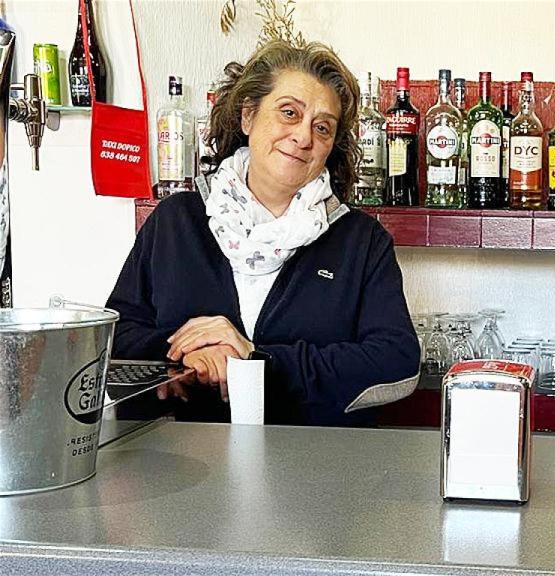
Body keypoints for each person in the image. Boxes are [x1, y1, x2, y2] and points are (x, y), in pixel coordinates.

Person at [106, 40, 420, 426]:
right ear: (248, 116)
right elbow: (115, 336)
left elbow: (395, 360)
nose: (303, 137)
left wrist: (255, 359)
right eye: (289, 113)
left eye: (322, 128)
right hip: (177, 462)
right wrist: (186, 353)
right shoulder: (176, 222)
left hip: (313, 468)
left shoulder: (361, 241)